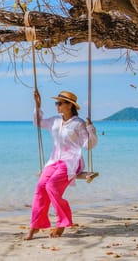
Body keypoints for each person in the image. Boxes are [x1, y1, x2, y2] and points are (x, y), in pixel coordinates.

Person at [23, 90, 98, 240]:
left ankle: (62, 223)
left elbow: (88, 145)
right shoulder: (55, 121)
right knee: (40, 188)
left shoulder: (78, 123)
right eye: (56, 103)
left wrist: (91, 130)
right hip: (53, 160)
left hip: (71, 161)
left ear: (70, 105)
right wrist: (37, 105)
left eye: (60, 103)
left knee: (51, 186)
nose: (57, 105)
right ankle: (35, 225)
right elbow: (38, 122)